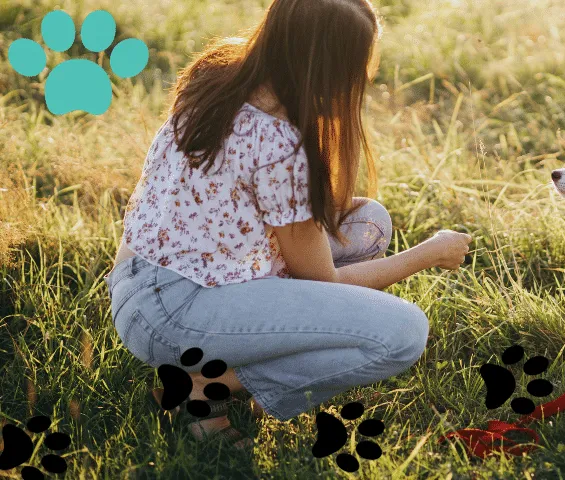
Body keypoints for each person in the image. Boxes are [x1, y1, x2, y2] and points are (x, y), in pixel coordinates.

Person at [105, 0, 472, 448]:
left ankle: (235, 368)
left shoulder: (217, 74)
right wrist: (427, 255)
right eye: (357, 70)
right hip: (174, 315)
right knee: (402, 334)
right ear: (328, 69)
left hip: (141, 282)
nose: (363, 81)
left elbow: (306, 211)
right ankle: (206, 388)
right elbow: (325, 281)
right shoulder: (278, 144)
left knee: (369, 222)